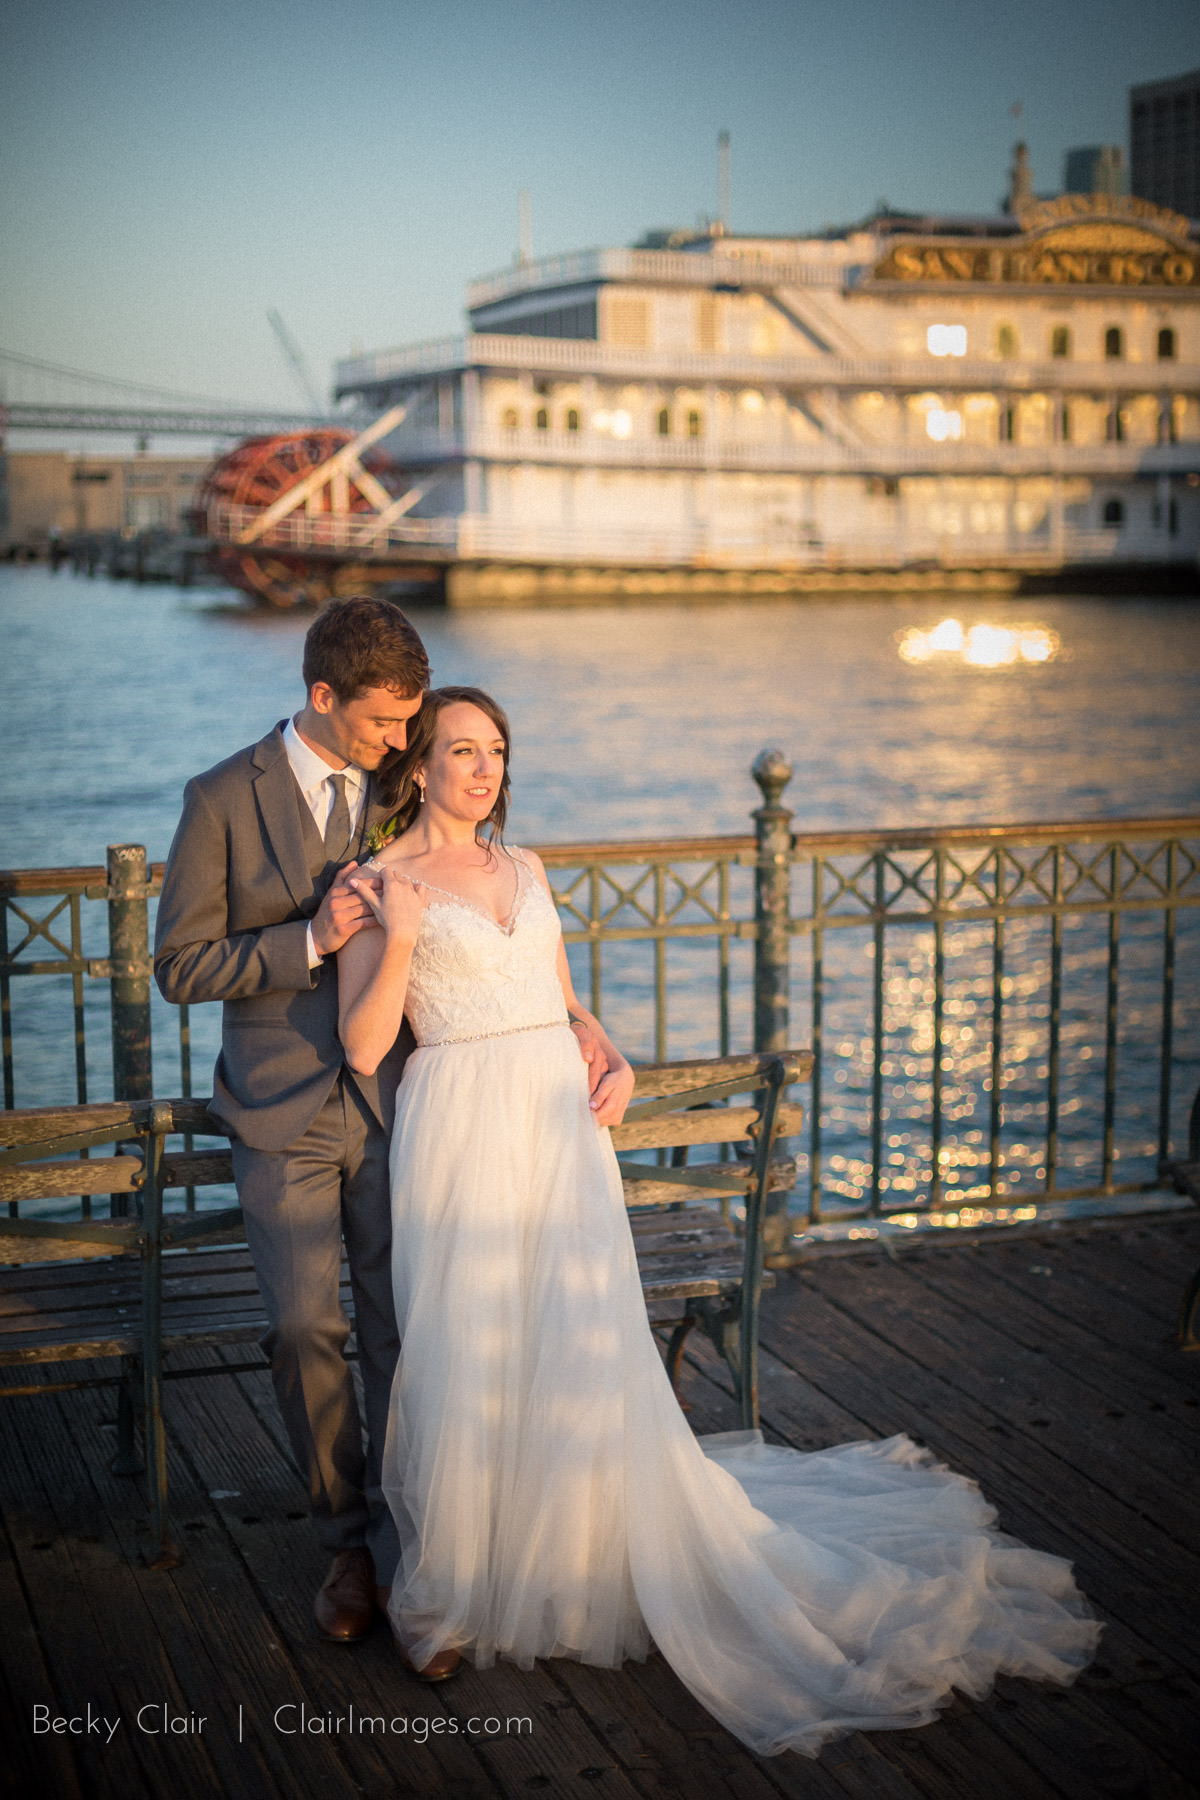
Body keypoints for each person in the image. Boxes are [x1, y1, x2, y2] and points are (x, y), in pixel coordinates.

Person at [338, 685, 1100, 1755]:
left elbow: (558, 997)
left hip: (560, 1123)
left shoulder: (529, 869)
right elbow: (367, 1048)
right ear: (419, 765)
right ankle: (453, 1592)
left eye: (497, 751)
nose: (483, 770)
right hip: (462, 1125)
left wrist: (606, 1043)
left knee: (577, 1341)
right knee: (470, 1343)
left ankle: (579, 1559)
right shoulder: (388, 882)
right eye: (462, 750)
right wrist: (406, 932)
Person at [154, 597, 429, 1645]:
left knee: (404, 1327)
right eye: (381, 722)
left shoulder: (401, 785)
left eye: (409, 722)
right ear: (323, 697)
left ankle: (416, 1542)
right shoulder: (221, 797)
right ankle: (346, 1549)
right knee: (305, 1329)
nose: (399, 741)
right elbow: (180, 963)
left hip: (399, 1101)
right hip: (279, 1111)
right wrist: (305, 939)